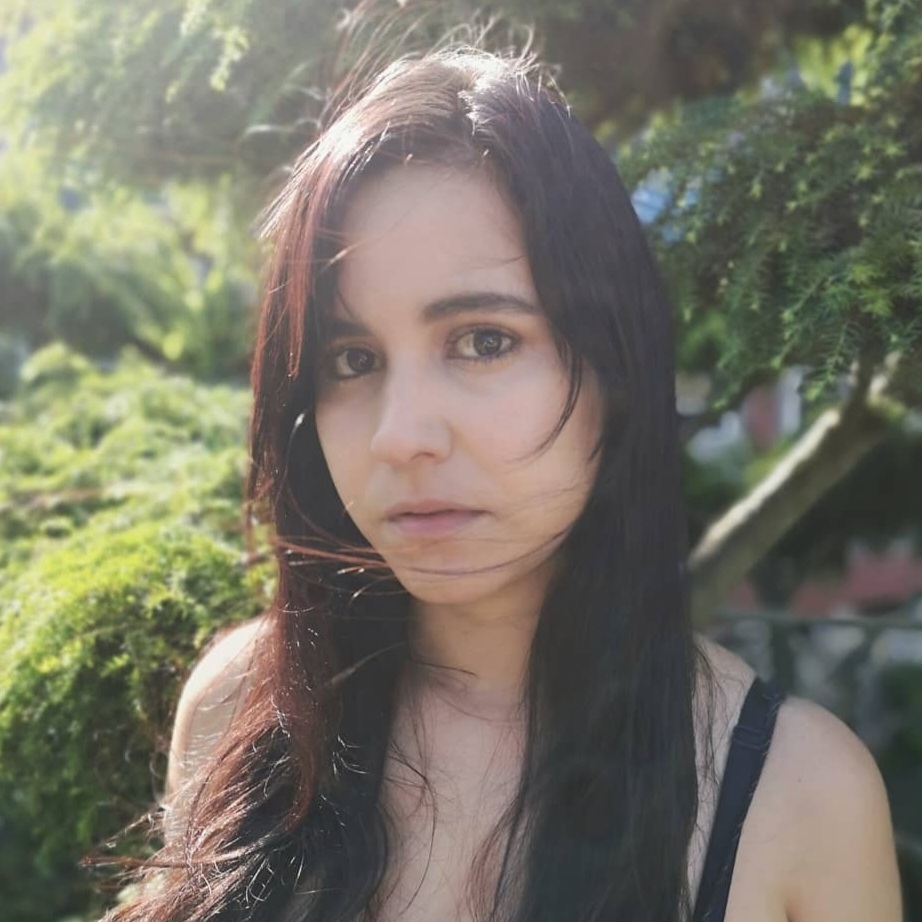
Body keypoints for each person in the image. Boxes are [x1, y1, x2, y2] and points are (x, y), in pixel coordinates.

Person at [110, 47, 902, 922]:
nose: (400, 435)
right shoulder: (240, 712)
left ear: (616, 369)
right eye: (353, 359)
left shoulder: (799, 797)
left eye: (483, 341)